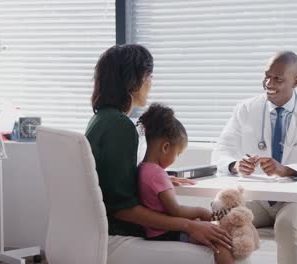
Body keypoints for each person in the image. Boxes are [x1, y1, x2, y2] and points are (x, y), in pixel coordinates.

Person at [85, 44, 247, 264]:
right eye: (149, 75)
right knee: (226, 251)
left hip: (98, 233)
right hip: (118, 236)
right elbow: (122, 210)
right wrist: (190, 225)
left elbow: (109, 184)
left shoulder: (101, 120)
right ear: (134, 80)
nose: (151, 82)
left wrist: (146, 180)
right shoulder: (119, 126)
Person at [211, 51, 297, 264]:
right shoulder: (246, 109)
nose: (269, 83)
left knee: (286, 225)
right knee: (227, 219)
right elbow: (221, 150)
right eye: (267, 76)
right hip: (260, 196)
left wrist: (287, 169)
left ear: (296, 81)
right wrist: (235, 165)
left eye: (278, 79)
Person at [137, 102, 234, 264]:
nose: (176, 159)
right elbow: (175, 211)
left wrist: (165, 180)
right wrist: (202, 212)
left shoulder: (143, 169)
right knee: (220, 243)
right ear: (166, 147)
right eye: (178, 153)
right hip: (164, 233)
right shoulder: (158, 174)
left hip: (153, 231)